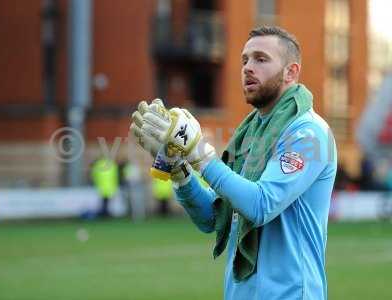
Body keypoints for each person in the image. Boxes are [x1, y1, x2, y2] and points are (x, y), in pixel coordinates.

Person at [130, 26, 337, 300]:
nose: (248, 68)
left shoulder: (308, 133)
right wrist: (180, 168)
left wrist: (200, 152)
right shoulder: (248, 135)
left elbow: (261, 205)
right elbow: (213, 218)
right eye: (245, 60)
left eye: (261, 59)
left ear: (291, 72)